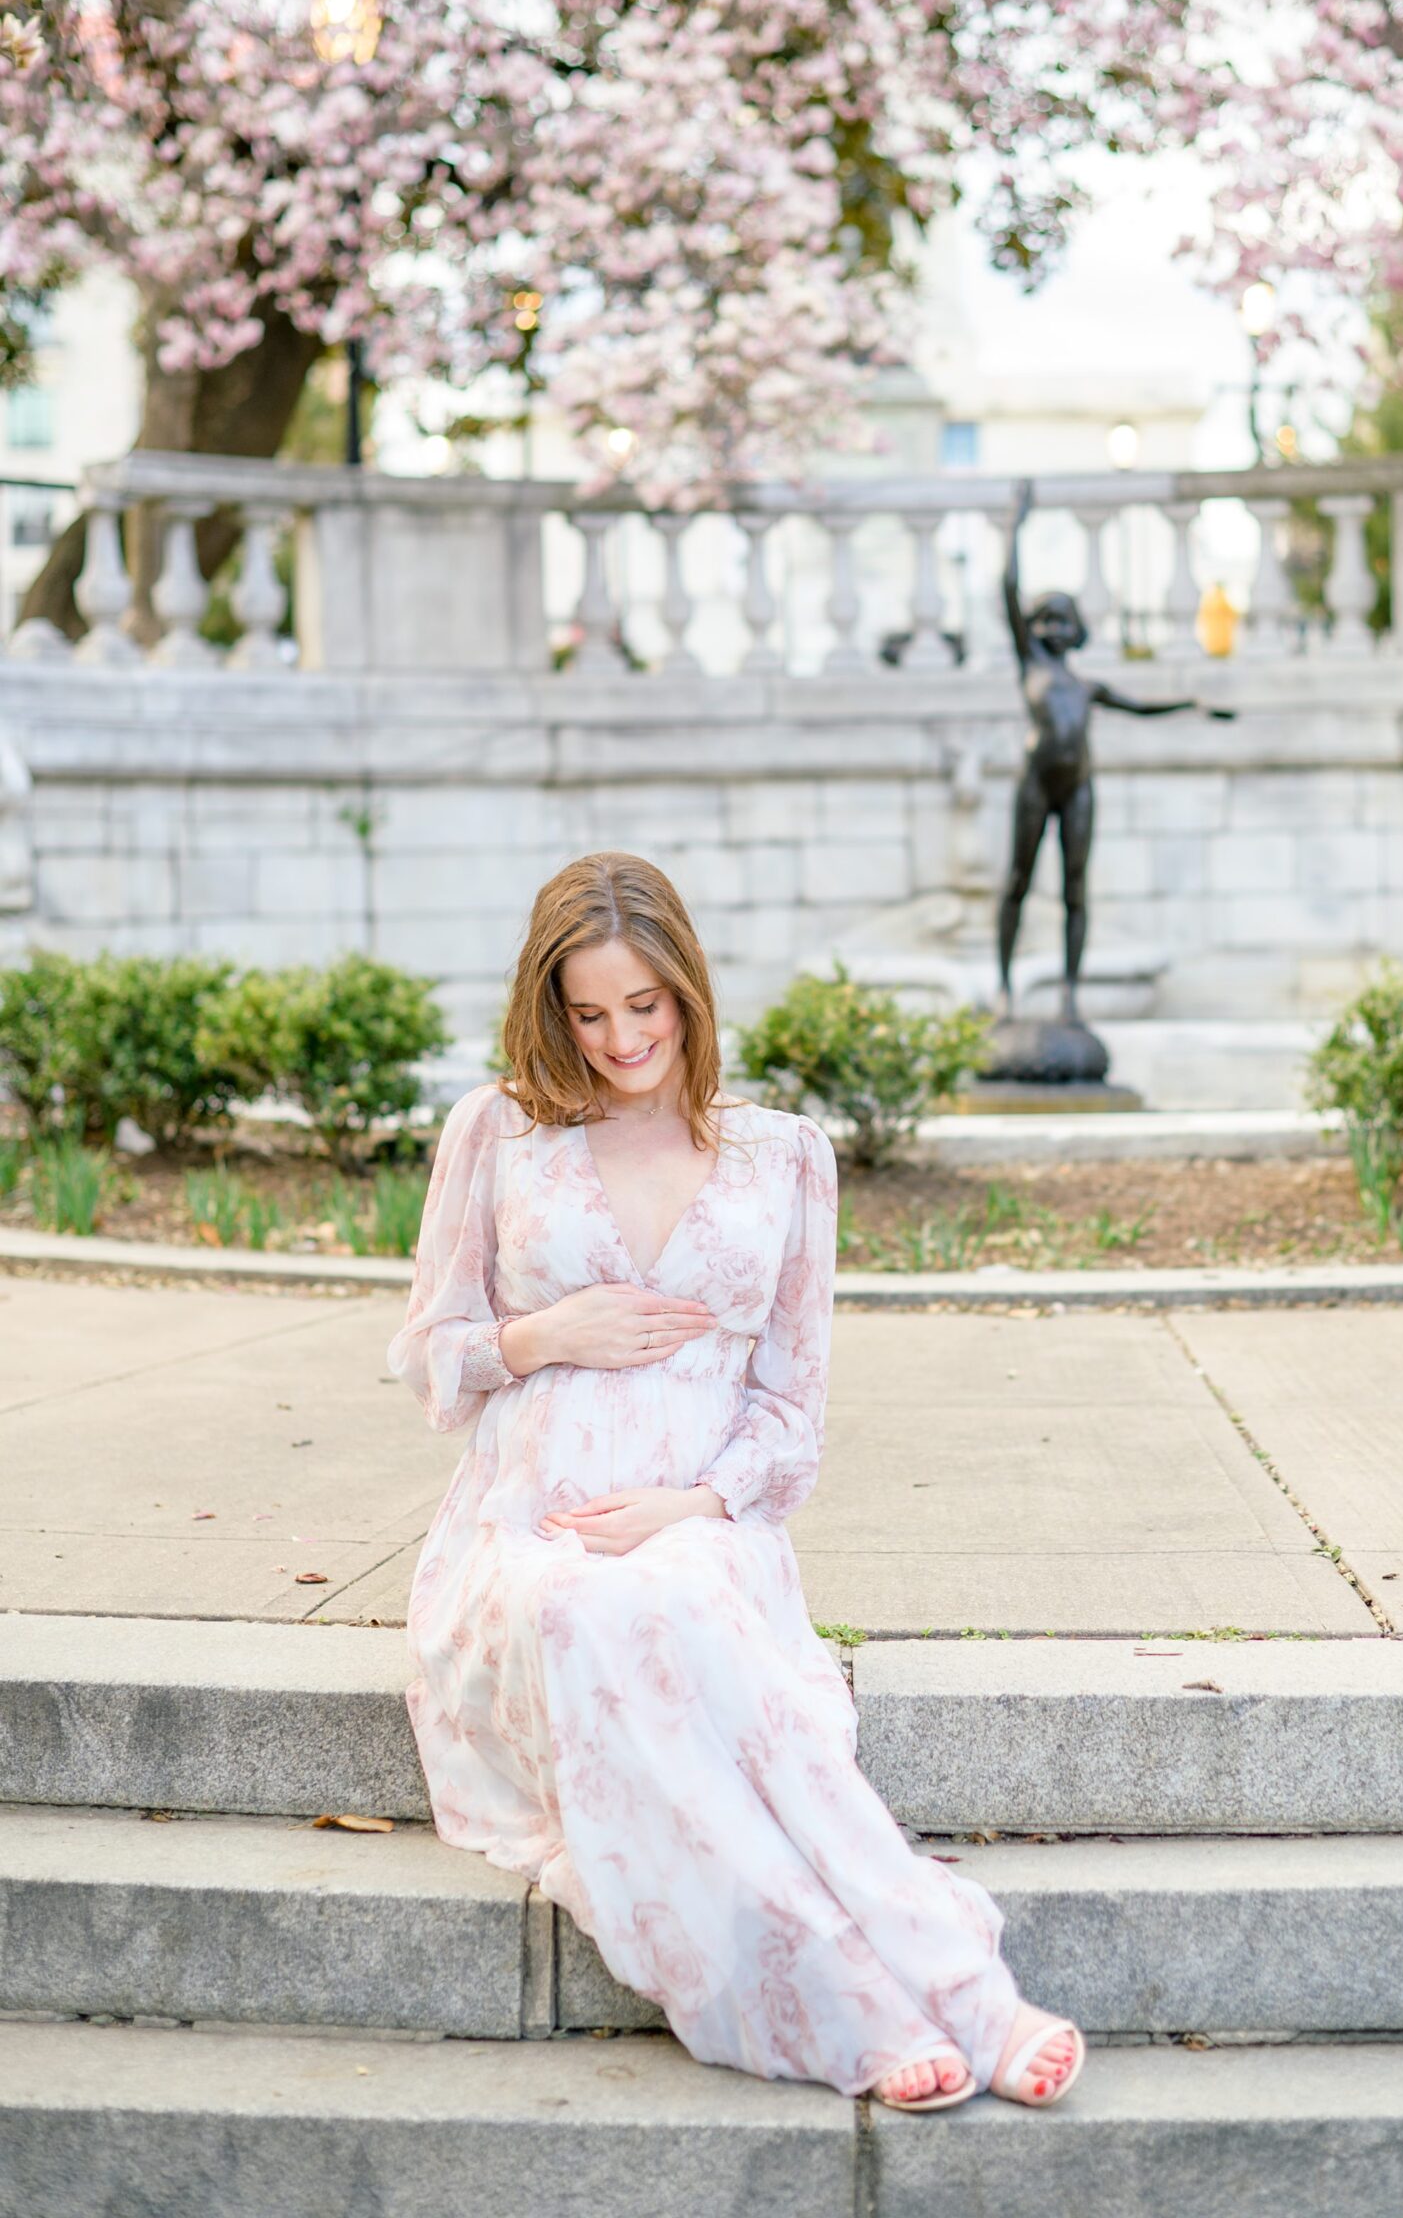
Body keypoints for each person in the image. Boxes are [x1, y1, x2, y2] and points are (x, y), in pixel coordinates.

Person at [389, 850, 1085, 2114]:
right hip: (527, 1531)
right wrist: (546, 1334)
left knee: (666, 1601)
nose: (618, 1039)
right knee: (583, 1608)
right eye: (588, 1014)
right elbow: (432, 1359)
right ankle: (845, 2003)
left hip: (702, 1523)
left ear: (688, 992)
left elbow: (788, 1415)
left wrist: (693, 1506)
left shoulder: (782, 1157)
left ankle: (964, 1989)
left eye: (643, 1007)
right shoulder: (498, 1128)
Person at [999, 485, 1236, 1022]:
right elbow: (1007, 586)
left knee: (1075, 890)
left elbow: (1143, 707)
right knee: (1017, 881)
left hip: (1078, 784)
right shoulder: (1030, 667)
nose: (1052, 629)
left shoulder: (1087, 687)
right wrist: (1017, 523)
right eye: (1044, 621)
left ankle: (1069, 996)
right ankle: (1005, 989)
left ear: (1077, 631)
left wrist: (1194, 704)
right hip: (1036, 781)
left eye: (1063, 621)